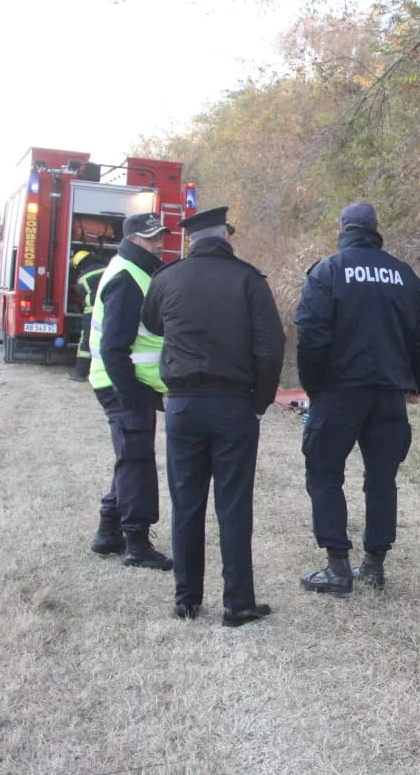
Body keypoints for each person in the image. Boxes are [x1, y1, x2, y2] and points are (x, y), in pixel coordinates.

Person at [142, 206, 285, 626]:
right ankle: (238, 603)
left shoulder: (166, 278)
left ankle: (186, 599)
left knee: (186, 504)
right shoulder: (248, 281)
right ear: (226, 236)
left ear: (191, 240)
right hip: (233, 405)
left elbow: (151, 322)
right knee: (233, 505)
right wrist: (260, 400)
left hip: (183, 405)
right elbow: (271, 347)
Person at [294, 202, 420, 595]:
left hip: (339, 392)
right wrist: (415, 384)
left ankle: (337, 567)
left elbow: (311, 335)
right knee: (382, 479)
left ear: (342, 229)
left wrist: (313, 385)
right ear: (376, 229)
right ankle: (374, 565)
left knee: (323, 472)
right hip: (389, 393)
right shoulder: (404, 275)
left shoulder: (328, 271)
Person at [87, 212, 174, 570]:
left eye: (161, 235)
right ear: (133, 239)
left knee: (130, 455)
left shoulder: (137, 269)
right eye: (151, 237)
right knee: (137, 460)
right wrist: (132, 394)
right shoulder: (126, 277)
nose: (159, 242)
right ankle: (136, 543)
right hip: (125, 385)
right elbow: (113, 348)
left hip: (131, 383)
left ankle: (109, 532)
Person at [69, 250, 108, 382]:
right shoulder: (108, 269)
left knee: (86, 342)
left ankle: (80, 373)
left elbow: (80, 295)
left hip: (92, 313)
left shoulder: (82, 279)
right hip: (111, 310)